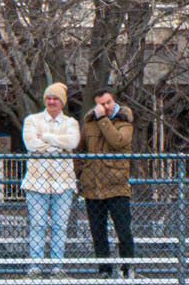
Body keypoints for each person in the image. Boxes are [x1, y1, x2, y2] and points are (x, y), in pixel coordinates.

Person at [18, 83, 80, 274]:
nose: (51, 101)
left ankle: (57, 267)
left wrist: (45, 137)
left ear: (62, 102)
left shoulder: (71, 123)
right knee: (37, 225)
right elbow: (31, 144)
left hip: (64, 183)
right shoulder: (32, 120)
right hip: (36, 182)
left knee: (60, 226)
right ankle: (35, 266)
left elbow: (73, 142)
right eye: (48, 98)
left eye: (55, 98)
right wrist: (59, 148)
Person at [78, 89, 136, 274]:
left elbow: (117, 141)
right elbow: (79, 150)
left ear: (114, 101)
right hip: (93, 186)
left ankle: (128, 268)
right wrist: (82, 173)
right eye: (101, 104)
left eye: (108, 102)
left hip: (117, 185)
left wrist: (103, 119)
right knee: (97, 231)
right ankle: (104, 269)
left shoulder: (124, 122)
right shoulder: (89, 124)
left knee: (123, 230)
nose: (106, 106)